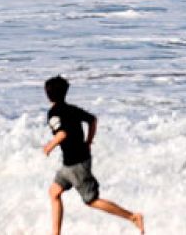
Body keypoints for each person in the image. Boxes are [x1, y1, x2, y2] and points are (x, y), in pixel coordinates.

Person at [42, 75, 145, 234]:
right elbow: (92, 120)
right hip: (72, 163)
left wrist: (49, 146)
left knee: (91, 200)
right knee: (54, 192)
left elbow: (62, 133)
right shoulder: (72, 109)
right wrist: (89, 141)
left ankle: (132, 216)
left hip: (76, 165)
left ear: (47, 94)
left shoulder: (54, 113)